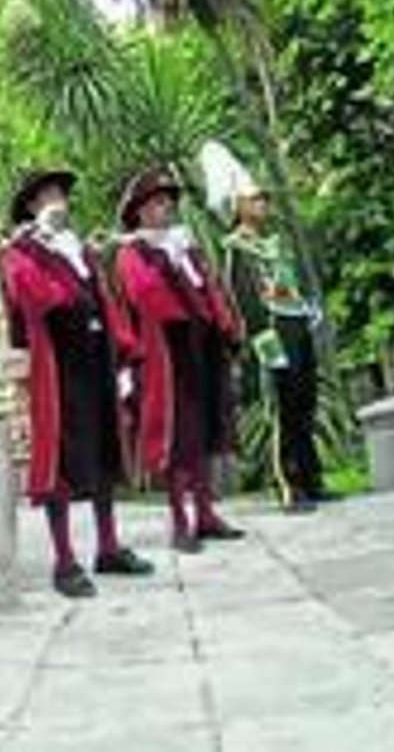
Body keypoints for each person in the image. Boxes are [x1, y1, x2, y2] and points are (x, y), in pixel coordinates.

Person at [0, 169, 154, 598]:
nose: (58, 200)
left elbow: (105, 300)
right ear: (31, 205)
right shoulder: (18, 251)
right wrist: (47, 250)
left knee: (105, 451)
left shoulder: (80, 248)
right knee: (60, 463)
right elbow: (37, 297)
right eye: (48, 194)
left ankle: (108, 547)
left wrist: (124, 352)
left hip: (96, 360)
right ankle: (64, 562)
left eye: (61, 194)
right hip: (56, 367)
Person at [113, 166, 245, 553]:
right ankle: (179, 521)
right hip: (164, 356)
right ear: (139, 210)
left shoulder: (185, 246)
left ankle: (205, 514)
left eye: (168, 201)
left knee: (203, 430)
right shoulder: (131, 252)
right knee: (176, 438)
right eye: (156, 202)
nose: (165, 208)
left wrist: (224, 325)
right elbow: (146, 294)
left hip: (200, 347)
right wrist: (172, 265)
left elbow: (211, 289)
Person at [223, 183, 326, 512]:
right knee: (280, 408)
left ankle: (312, 480)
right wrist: (266, 346)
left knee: (304, 401)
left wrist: (309, 310)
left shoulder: (274, 244)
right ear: (239, 206)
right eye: (255, 199)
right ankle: (287, 485)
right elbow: (245, 301)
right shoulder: (236, 248)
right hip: (273, 331)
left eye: (264, 198)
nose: (263, 204)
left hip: (297, 325)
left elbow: (291, 283)